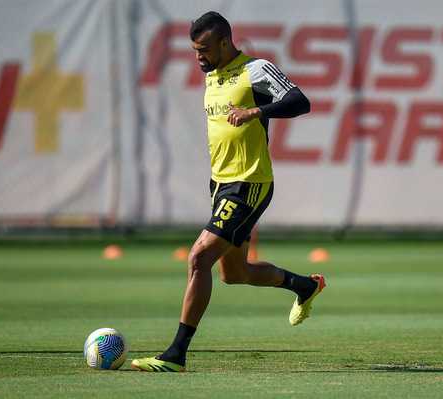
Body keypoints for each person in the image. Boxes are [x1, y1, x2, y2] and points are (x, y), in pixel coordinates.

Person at [131, 11, 325, 373]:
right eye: (193, 50)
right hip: (221, 183)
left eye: (204, 49)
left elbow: (301, 101)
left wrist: (256, 111)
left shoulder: (256, 70)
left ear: (225, 42)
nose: (198, 57)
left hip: (248, 183)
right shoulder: (213, 75)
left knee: (199, 258)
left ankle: (176, 354)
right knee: (234, 273)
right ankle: (304, 286)